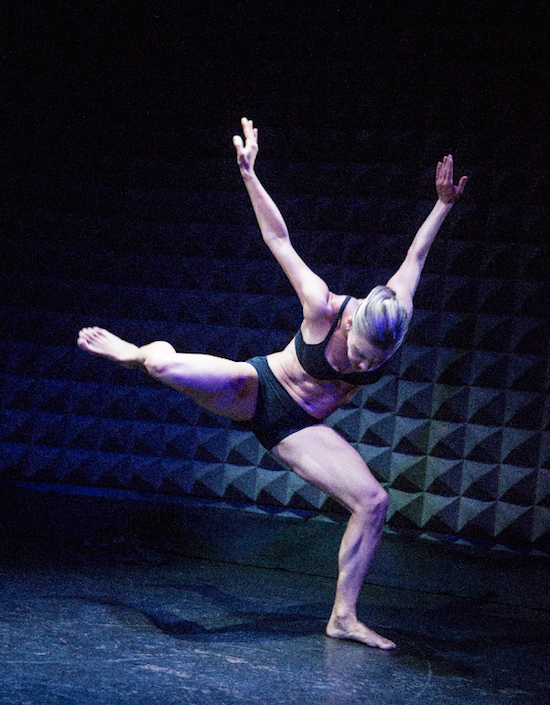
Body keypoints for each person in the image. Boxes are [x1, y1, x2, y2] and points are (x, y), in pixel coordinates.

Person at [78, 118, 467, 649]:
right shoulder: (321, 305)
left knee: (373, 503)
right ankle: (134, 353)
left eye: (372, 361)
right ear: (349, 324)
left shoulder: (395, 313)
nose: (359, 365)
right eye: (357, 353)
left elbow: (415, 256)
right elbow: (277, 238)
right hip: (257, 390)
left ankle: (343, 618)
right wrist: (249, 174)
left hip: (299, 425)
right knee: (163, 367)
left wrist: (443, 203)